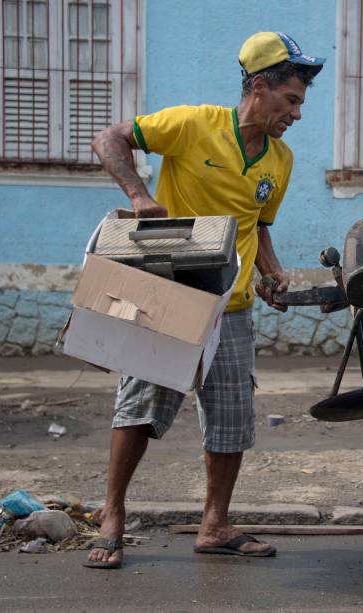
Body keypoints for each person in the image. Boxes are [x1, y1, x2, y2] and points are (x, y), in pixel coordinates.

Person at [83, 32, 324, 569]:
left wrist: (272, 272)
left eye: (301, 104)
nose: (297, 114)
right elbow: (108, 139)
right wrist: (140, 197)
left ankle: (215, 525)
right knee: (140, 408)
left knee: (233, 419)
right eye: (291, 100)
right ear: (259, 86)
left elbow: (258, 227)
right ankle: (112, 515)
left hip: (231, 308)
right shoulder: (193, 125)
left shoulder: (280, 160)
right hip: (169, 295)